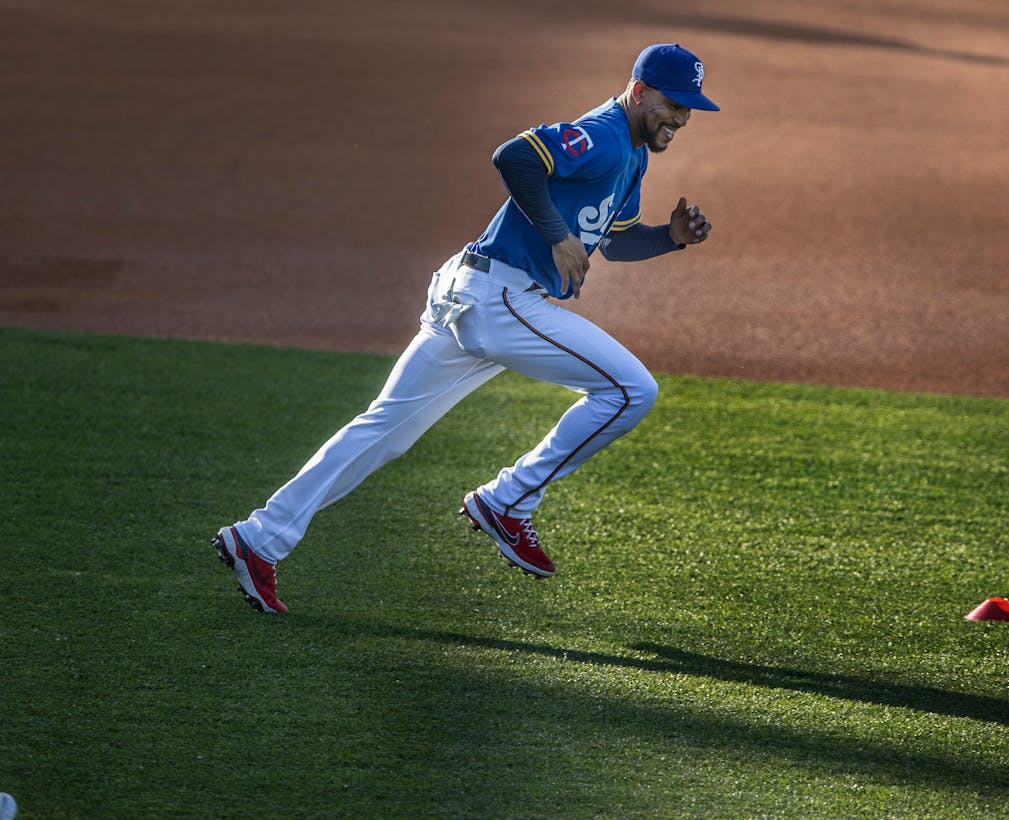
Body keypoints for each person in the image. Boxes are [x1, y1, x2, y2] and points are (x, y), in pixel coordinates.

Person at [213, 43, 719, 613]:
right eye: (674, 103)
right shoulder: (601, 135)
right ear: (639, 91)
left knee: (383, 431)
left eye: (690, 108)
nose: (680, 117)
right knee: (631, 390)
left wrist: (669, 238)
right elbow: (513, 157)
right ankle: (508, 500)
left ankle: (258, 539)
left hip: (472, 293)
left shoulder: (632, 156)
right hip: (499, 299)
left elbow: (614, 240)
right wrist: (555, 233)